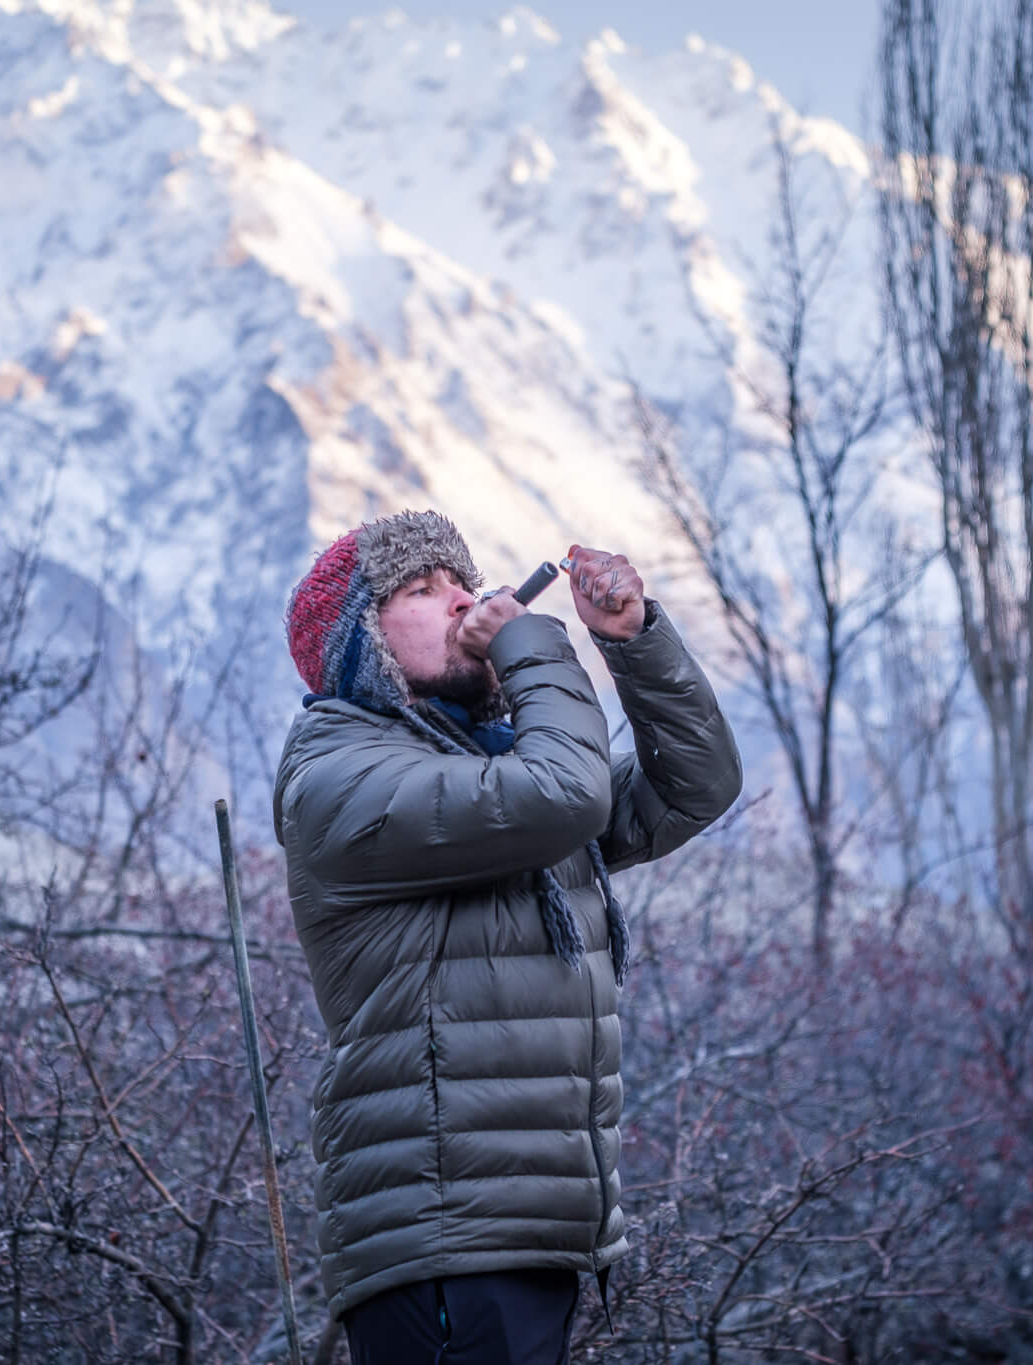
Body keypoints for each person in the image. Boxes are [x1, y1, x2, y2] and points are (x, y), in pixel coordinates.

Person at [272, 509, 743, 1363]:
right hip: (443, 1234)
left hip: (519, 1225)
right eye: (422, 588)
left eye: (462, 579)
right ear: (358, 643)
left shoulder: (483, 762)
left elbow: (694, 787)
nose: (464, 600)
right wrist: (534, 645)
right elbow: (568, 793)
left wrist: (632, 640)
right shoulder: (342, 779)